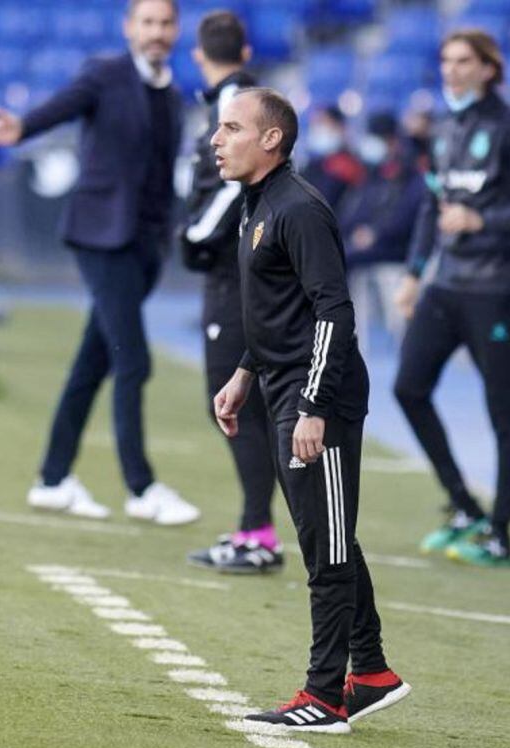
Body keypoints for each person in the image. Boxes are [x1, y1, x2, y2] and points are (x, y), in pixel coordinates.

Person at [211, 88, 409, 732]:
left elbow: (334, 311)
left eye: (232, 128)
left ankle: (324, 697)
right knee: (327, 533)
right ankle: (372, 670)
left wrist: (314, 406)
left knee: (324, 546)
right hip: (281, 387)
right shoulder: (256, 205)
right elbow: (277, 309)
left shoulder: (298, 208)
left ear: (272, 139)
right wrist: (244, 373)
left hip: (317, 396)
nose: (217, 139)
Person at [0, 0, 200, 526]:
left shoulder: (171, 95)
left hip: (144, 246)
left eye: (165, 23)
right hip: (100, 239)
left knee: (92, 363)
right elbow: (65, 104)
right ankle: (141, 487)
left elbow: (161, 173)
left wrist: (163, 238)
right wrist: (24, 127)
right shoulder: (105, 74)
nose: (156, 31)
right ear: (129, 27)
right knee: (133, 361)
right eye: (147, 22)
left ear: (176, 30)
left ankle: (53, 479)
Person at [393, 29, 510, 567]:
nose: (452, 70)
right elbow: (430, 208)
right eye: (445, 60)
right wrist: (415, 273)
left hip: (497, 289)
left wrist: (481, 218)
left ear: (489, 68)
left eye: (464, 61)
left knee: (501, 409)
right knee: (408, 388)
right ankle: (464, 506)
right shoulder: (443, 129)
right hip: (448, 283)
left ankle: (501, 532)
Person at [179, 11, 283, 573]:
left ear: (200, 53)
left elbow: (230, 183)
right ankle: (253, 527)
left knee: (235, 405)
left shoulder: (235, 101)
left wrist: (192, 234)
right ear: (243, 49)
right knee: (243, 405)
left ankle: (259, 533)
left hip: (234, 273)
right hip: (238, 269)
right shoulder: (239, 97)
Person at [341, 110, 425, 347]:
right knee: (333, 250)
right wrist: (351, 230)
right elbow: (361, 209)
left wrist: (375, 233)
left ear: (392, 140)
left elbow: (407, 215)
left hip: (399, 247)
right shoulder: (376, 172)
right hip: (373, 243)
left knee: (344, 257)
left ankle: (337, 321)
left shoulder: (410, 173)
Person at [300, 105, 364, 213]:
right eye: (315, 125)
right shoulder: (313, 164)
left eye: (322, 123)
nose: (317, 129)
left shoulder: (348, 165)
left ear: (340, 128)